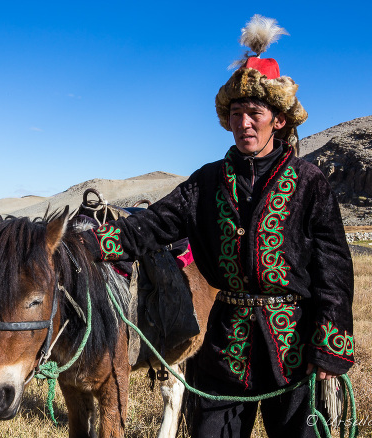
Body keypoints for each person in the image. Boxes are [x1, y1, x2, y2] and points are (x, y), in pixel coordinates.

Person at [83, 15, 354, 437]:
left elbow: (334, 270)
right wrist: (86, 243)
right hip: (224, 347)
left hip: (294, 348)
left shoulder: (309, 183)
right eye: (236, 113)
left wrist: (329, 349)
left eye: (255, 113)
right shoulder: (206, 182)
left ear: (278, 120)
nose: (244, 122)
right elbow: (153, 225)